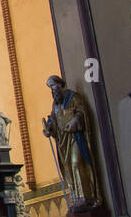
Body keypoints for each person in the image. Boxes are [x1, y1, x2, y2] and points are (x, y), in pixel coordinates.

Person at [42, 75, 102, 209]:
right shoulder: (55, 104)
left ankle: (87, 196)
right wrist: (49, 128)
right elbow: (53, 118)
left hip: (75, 137)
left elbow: (81, 112)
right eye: (50, 87)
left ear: (60, 84)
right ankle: (76, 196)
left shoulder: (73, 97)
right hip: (62, 140)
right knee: (68, 166)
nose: (52, 90)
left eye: (53, 86)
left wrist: (75, 121)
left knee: (76, 163)